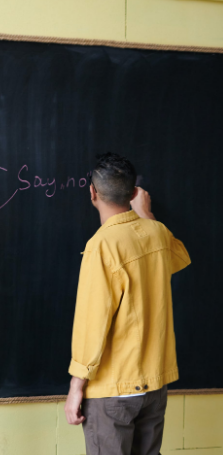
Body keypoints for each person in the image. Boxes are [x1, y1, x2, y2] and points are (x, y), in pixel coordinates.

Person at [64, 153, 191, 455]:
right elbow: (180, 257)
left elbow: (92, 322)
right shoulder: (156, 232)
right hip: (154, 384)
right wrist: (146, 214)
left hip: (114, 388)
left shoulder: (102, 246)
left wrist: (76, 386)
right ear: (135, 193)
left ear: (92, 192)